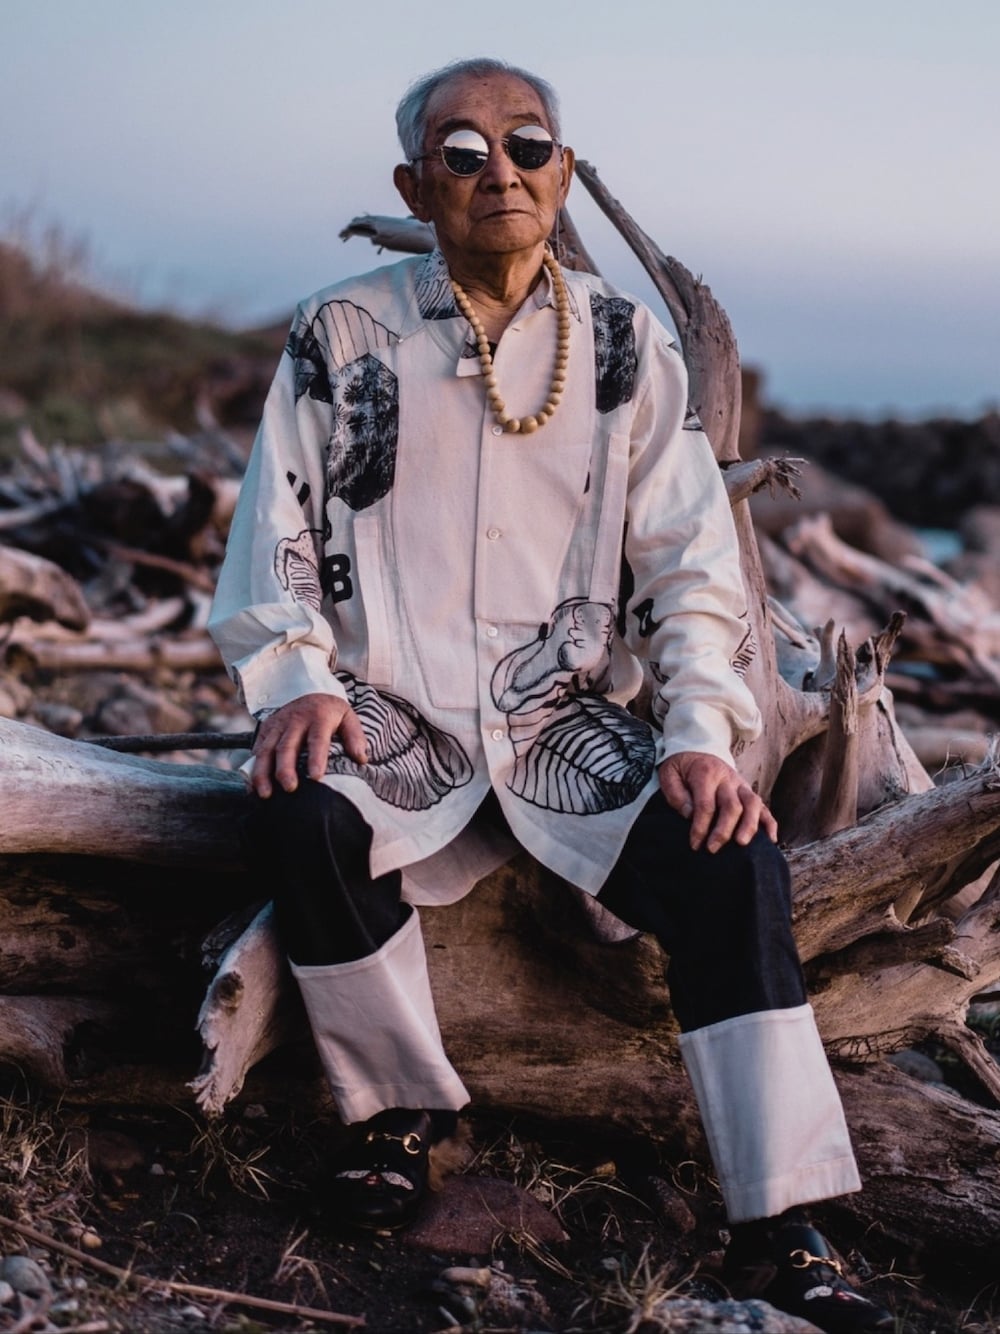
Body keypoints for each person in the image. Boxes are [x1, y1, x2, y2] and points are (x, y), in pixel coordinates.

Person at [208, 57, 892, 1333]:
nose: (500, 171)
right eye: (462, 152)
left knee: (729, 853)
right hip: (392, 713)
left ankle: (780, 1216)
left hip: (558, 727)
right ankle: (398, 1115)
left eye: (526, 146)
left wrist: (699, 732)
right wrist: (292, 679)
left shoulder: (622, 340)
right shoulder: (337, 331)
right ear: (416, 185)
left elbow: (689, 563)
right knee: (302, 810)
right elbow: (275, 530)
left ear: (563, 173)